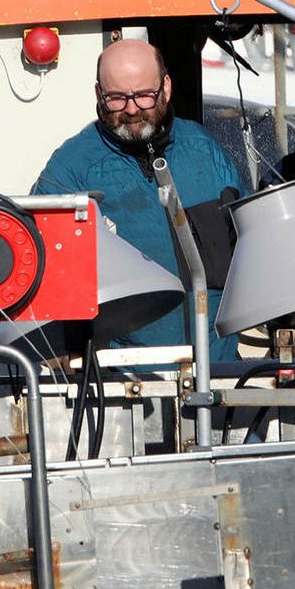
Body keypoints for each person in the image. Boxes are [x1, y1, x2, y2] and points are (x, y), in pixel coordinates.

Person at [32, 39, 245, 362]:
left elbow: (247, 247)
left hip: (215, 372)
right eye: (117, 98)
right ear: (98, 95)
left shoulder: (204, 149)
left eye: (145, 95)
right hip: (124, 383)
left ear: (167, 88)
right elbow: (45, 286)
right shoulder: (70, 170)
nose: (132, 110)